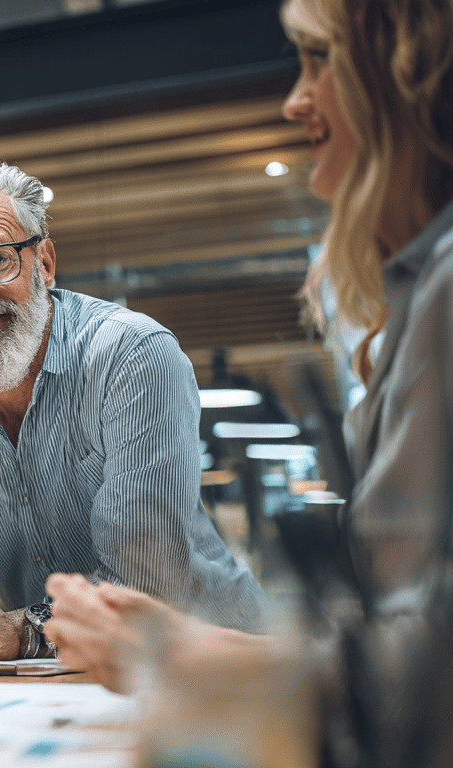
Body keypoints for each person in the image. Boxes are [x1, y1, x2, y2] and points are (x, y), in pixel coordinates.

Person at [47, 0, 453, 713]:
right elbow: (402, 645)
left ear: (409, 72)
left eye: (319, 58)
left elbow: (427, 678)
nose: (296, 99)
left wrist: (173, 656)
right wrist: (177, 642)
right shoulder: (420, 294)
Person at [0, 154, 265, 664]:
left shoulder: (132, 356)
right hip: (52, 683)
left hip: (210, 666)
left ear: (44, 263)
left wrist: (22, 631)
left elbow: (144, 583)